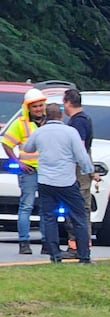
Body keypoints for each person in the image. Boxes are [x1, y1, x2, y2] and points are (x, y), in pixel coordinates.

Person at [22, 103, 100, 263]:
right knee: (79, 217)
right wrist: (89, 171)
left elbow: (28, 148)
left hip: (45, 182)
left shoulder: (40, 132)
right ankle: (84, 256)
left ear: (46, 116)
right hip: (66, 181)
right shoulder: (70, 132)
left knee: (49, 218)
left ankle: (55, 255)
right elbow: (81, 155)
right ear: (61, 116)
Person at [1, 87, 49, 254]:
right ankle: (24, 242)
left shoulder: (49, 122)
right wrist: (17, 162)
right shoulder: (20, 123)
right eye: (35, 106)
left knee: (46, 208)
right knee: (26, 206)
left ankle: (47, 243)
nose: (38, 109)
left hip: (47, 171)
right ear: (28, 107)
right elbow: (6, 143)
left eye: (41, 105)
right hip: (28, 171)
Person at [62, 88, 94, 259]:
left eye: (63, 102)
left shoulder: (78, 122)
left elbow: (79, 147)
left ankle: (77, 247)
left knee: (78, 206)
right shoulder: (83, 119)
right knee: (81, 206)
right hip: (82, 167)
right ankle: (81, 246)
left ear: (68, 102)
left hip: (78, 169)